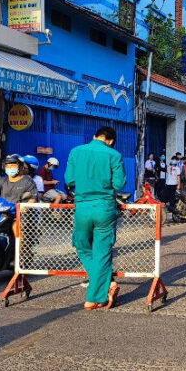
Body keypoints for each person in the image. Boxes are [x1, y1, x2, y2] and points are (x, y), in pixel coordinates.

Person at [64, 127, 126, 311]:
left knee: (82, 246)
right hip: (105, 208)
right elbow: (119, 183)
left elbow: (69, 180)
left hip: (82, 208)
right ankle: (96, 296)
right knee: (102, 252)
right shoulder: (114, 155)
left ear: (95, 136)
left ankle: (105, 286)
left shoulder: (76, 152)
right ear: (110, 141)